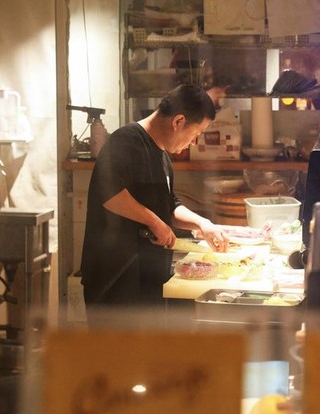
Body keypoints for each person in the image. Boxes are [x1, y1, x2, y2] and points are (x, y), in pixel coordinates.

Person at [80, 84, 229, 322]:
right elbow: (110, 193)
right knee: (116, 358)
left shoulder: (161, 154)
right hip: (115, 280)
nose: (193, 141)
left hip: (145, 278)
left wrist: (203, 224)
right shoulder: (126, 141)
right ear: (178, 121)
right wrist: (154, 221)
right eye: (196, 133)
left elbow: (168, 204)